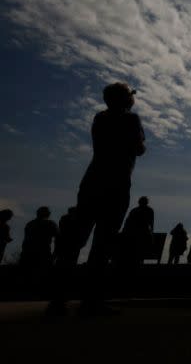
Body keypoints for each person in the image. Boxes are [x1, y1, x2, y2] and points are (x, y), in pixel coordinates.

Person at [50, 82, 146, 315]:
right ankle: (91, 301)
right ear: (126, 99)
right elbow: (140, 149)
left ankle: (58, 301)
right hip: (116, 184)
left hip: (92, 181)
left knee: (75, 241)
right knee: (103, 243)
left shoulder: (99, 118)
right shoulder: (130, 120)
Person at [122, 196, 154, 266]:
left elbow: (127, 222)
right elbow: (151, 223)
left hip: (133, 236)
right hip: (144, 235)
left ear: (139, 202)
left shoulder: (134, 211)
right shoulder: (150, 211)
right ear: (147, 202)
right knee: (141, 248)